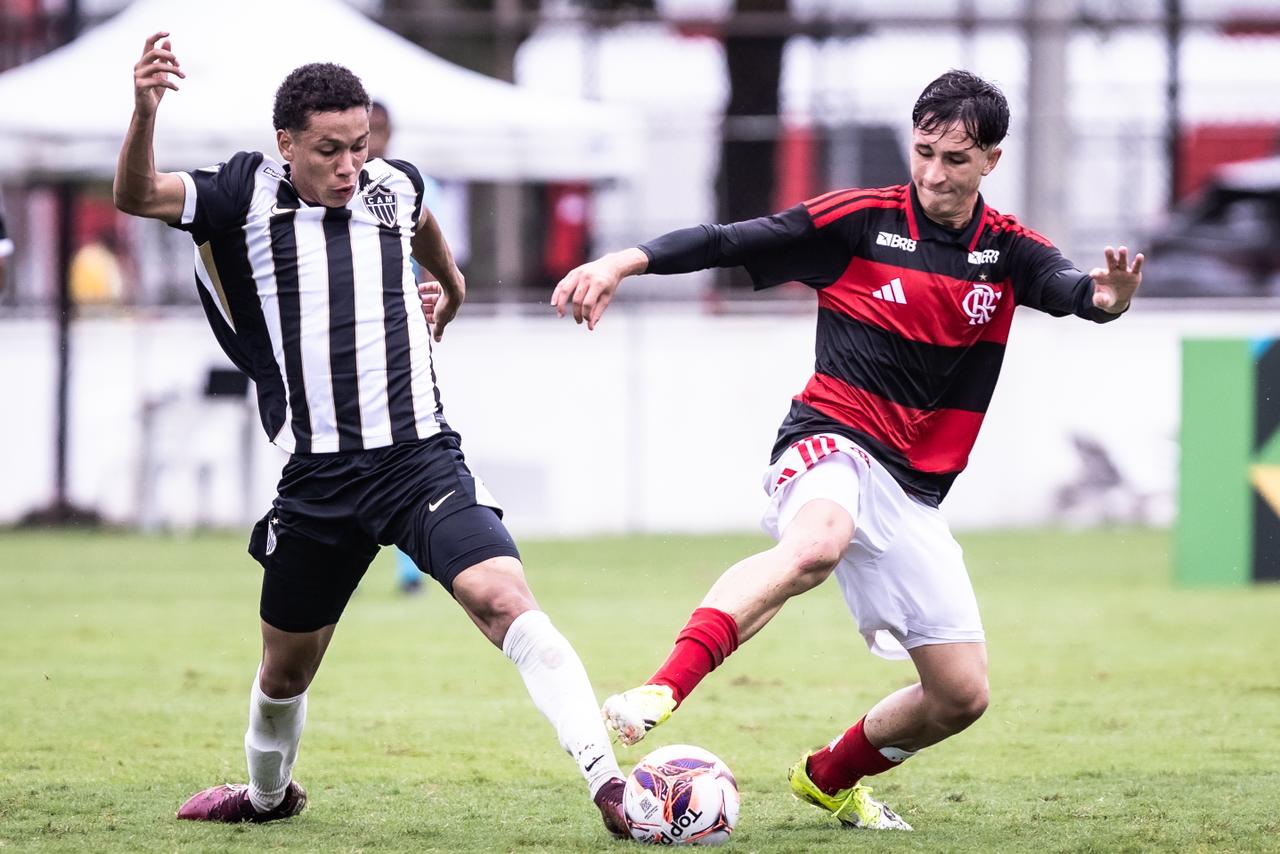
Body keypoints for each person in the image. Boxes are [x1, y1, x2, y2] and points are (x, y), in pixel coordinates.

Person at [551, 69, 1143, 831]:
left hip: (914, 489)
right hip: (830, 438)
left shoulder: (1009, 251)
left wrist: (1109, 300)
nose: (933, 172)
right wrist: (621, 261)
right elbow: (732, 240)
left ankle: (828, 778)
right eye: (924, 150)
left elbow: (1075, 291)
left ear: (991, 160)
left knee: (961, 697)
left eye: (955, 159)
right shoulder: (861, 219)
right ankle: (661, 689)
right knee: (817, 544)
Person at [115, 33, 627, 836]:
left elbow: (418, 221)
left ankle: (612, 788)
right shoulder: (241, 193)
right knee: (285, 669)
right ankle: (265, 796)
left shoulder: (392, 184)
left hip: (419, 460)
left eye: (360, 146)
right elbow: (139, 193)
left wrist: (451, 290)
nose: (350, 166)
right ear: (286, 143)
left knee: (503, 597)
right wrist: (145, 110)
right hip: (316, 479)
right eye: (330, 150)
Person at [368, 99, 436, 596]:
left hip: (396, 350)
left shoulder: (399, 188)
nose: (375, 139)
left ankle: (410, 569)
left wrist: (435, 295)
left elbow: (428, 249)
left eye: (381, 130)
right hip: (349, 355)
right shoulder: (329, 194)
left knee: (404, 453)